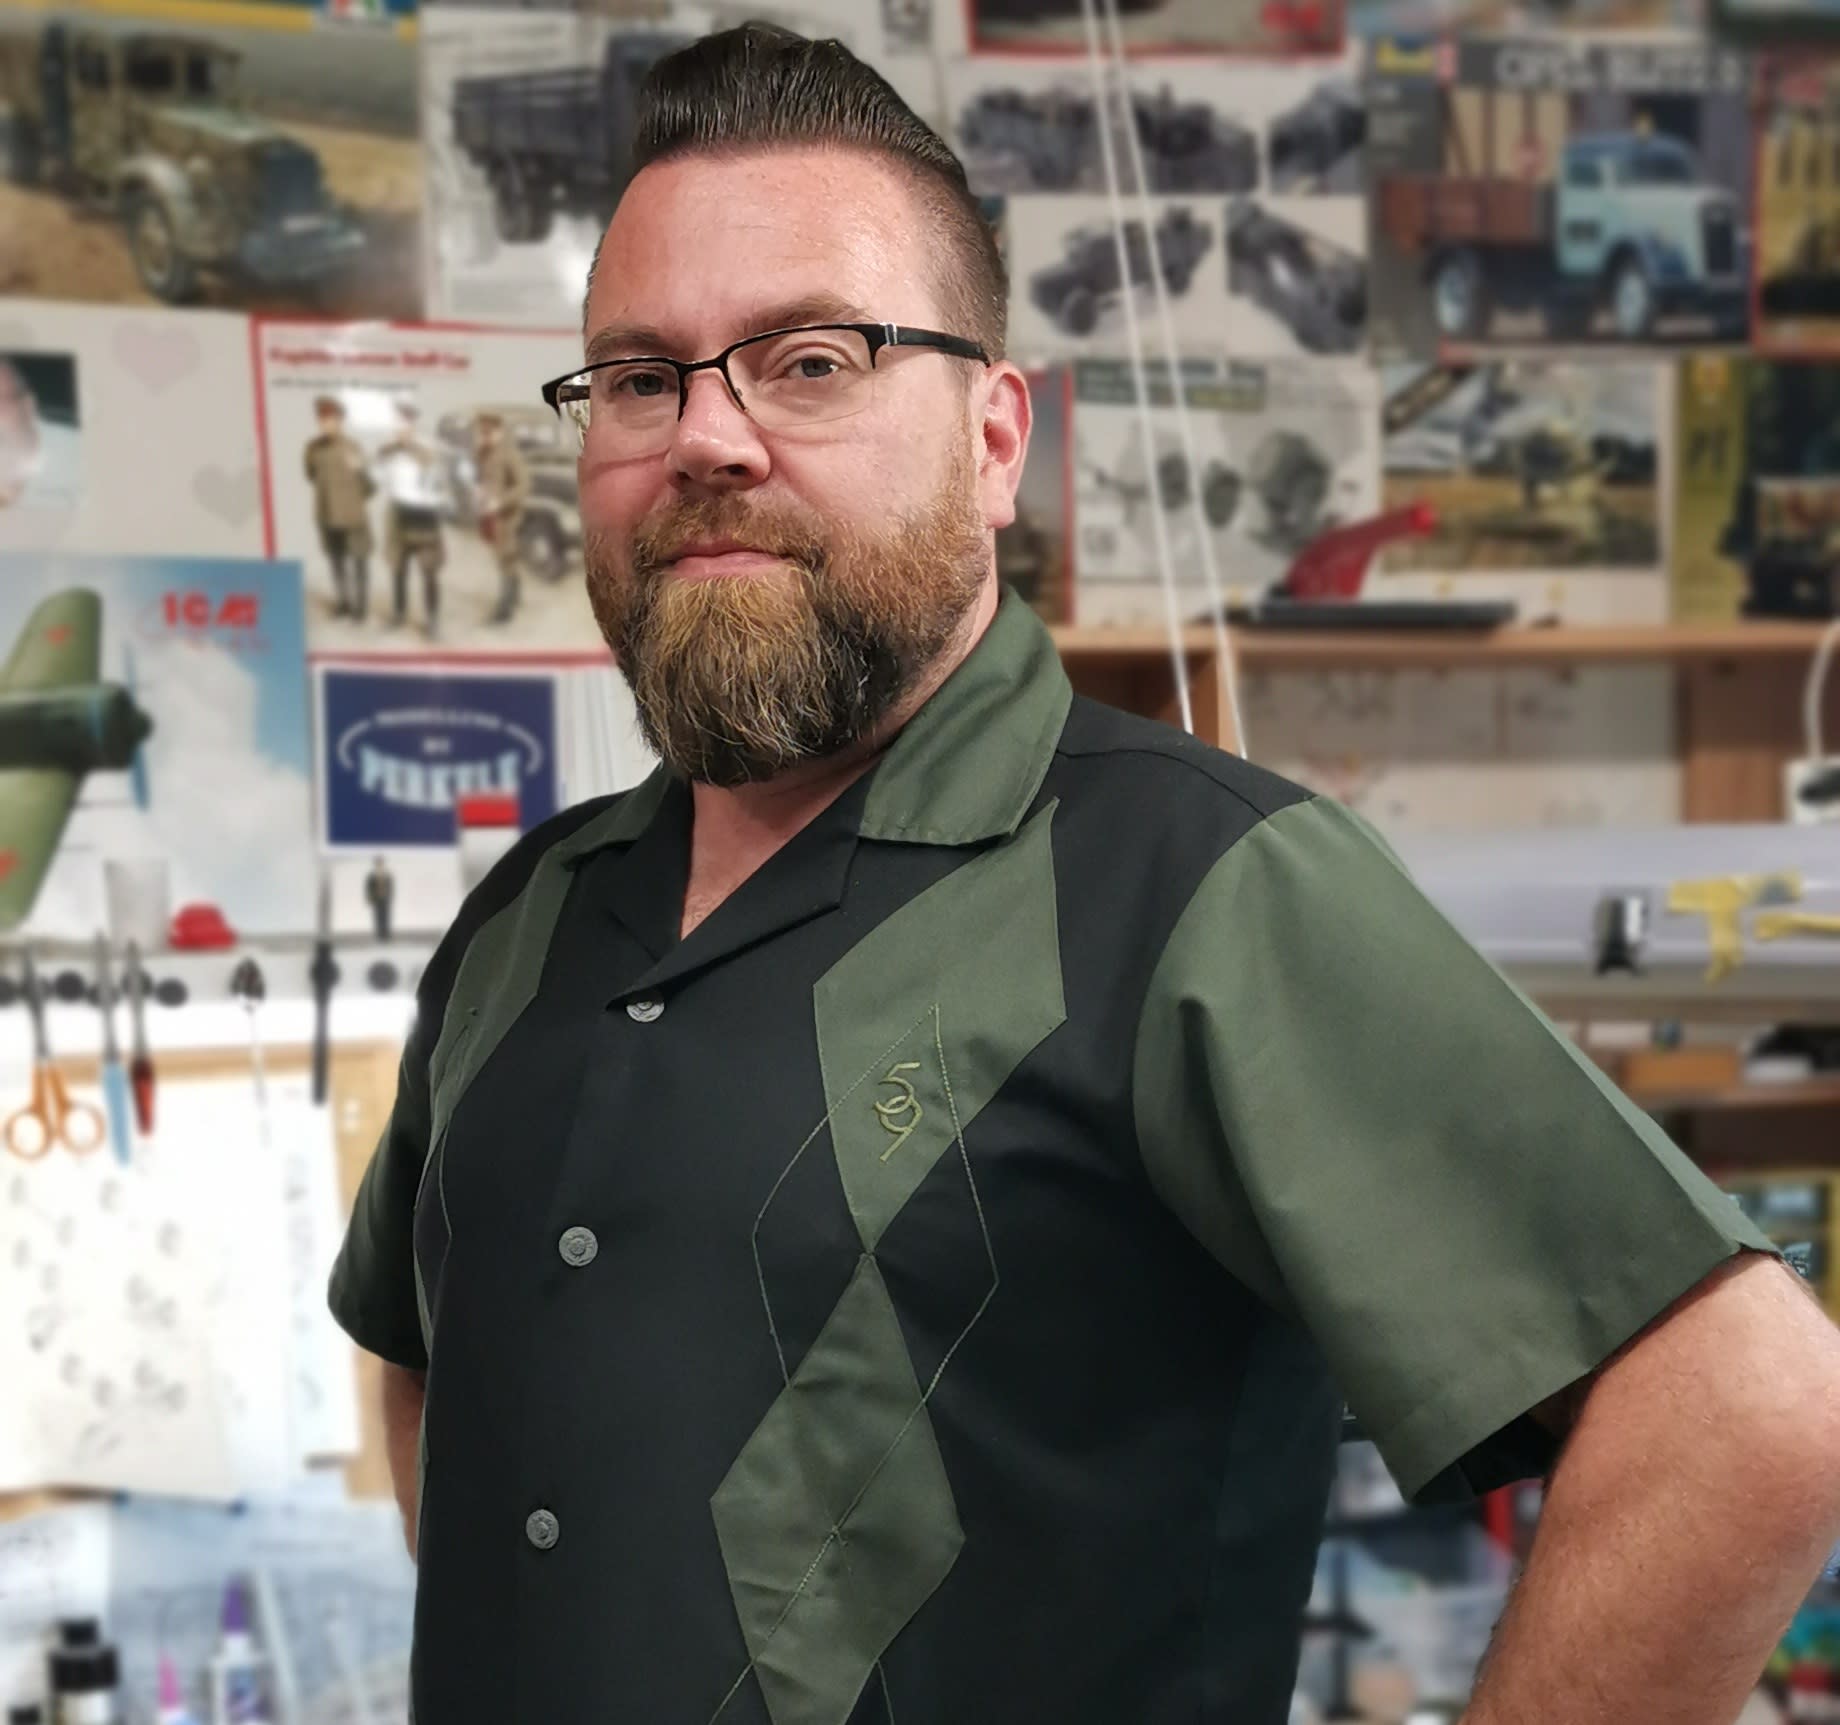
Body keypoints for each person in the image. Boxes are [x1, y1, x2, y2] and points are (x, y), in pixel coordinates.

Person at [328, 25, 1840, 1725]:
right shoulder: (524, 916)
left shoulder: (1199, 889)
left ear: (993, 439)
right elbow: (429, 1361)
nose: (707, 438)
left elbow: (1744, 1409)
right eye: (637, 378)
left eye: (809, 361)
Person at [376, 399, 447, 641]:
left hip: (423, 517)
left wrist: (431, 497)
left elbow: (439, 485)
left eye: (405, 425)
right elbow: (379, 479)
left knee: (429, 571)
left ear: (413, 427)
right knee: (398, 567)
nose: (401, 430)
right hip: (397, 515)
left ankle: (433, 620)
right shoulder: (386, 452)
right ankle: (398, 613)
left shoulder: (427, 452)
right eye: (397, 425)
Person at [302, 395, 375, 620]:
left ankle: (361, 607)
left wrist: (357, 478)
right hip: (327, 514)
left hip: (353, 516)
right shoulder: (312, 449)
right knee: (336, 561)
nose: (326, 424)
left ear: (340, 421)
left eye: (331, 419)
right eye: (322, 419)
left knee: (359, 561)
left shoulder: (353, 448)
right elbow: (311, 475)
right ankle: (343, 602)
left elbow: (370, 487)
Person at [471, 409, 530, 625]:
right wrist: (478, 492)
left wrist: (500, 501)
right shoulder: (482, 452)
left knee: (505, 558)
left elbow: (523, 486)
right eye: (482, 432)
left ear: (499, 431)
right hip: (489, 514)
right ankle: (515, 594)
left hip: (507, 516)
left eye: (490, 431)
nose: (485, 436)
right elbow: (480, 477)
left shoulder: (509, 454)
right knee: (503, 557)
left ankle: (504, 609)